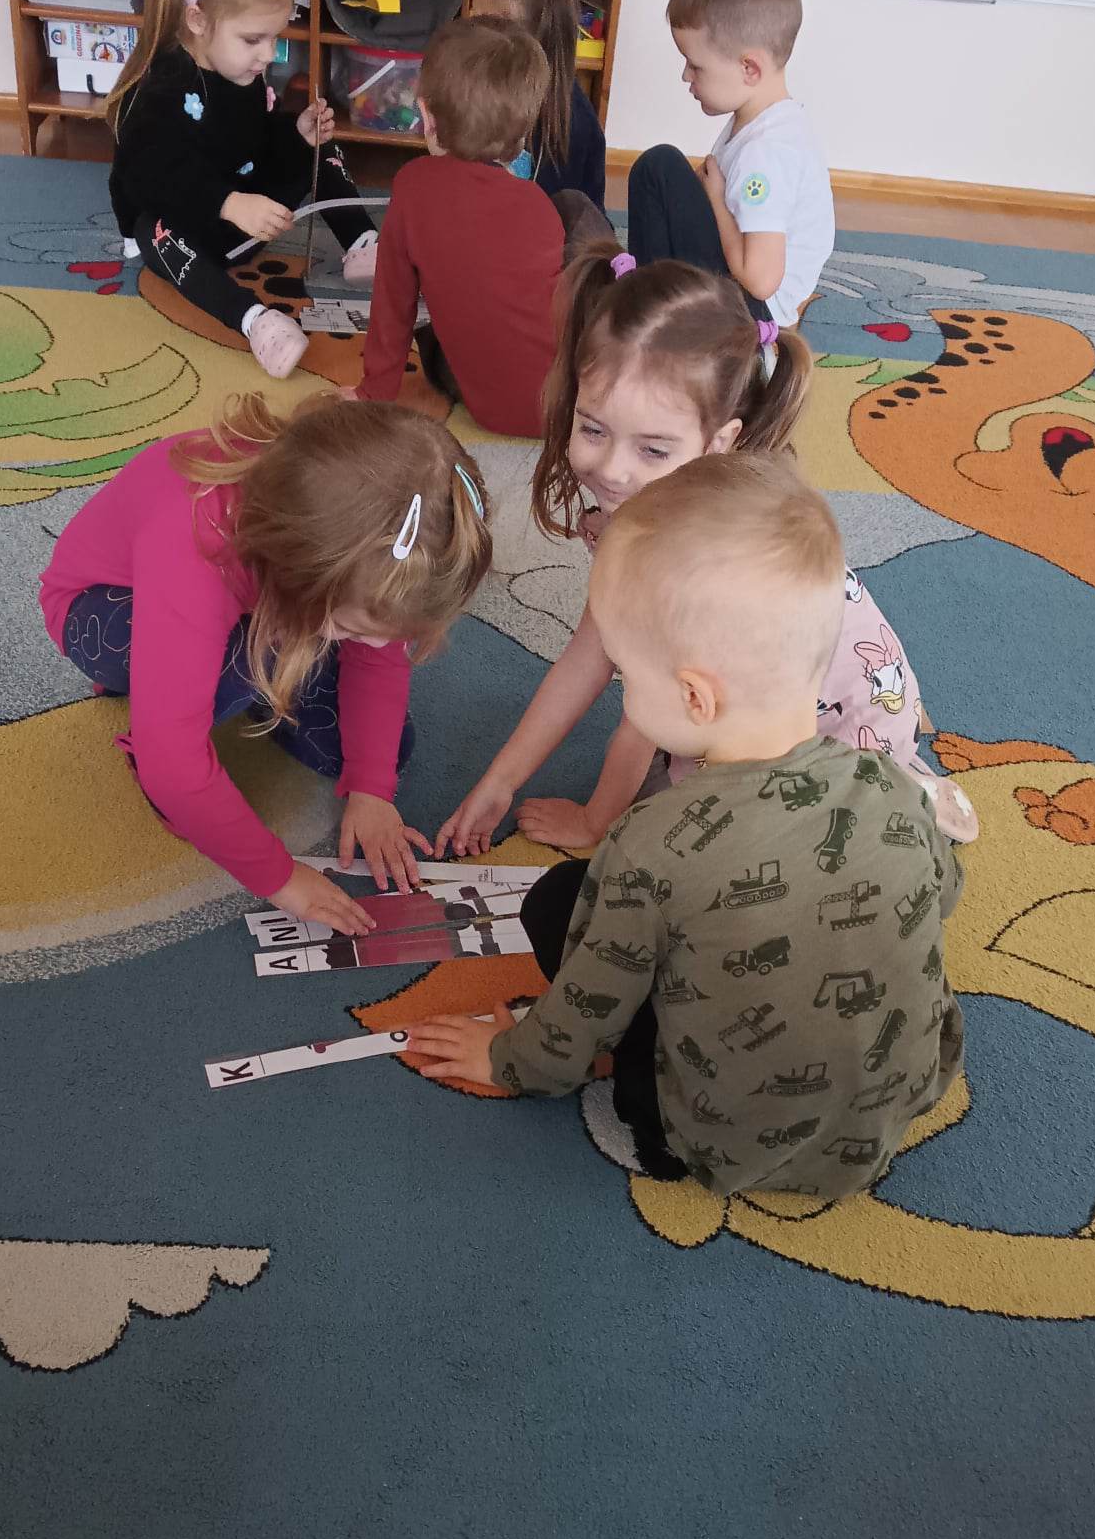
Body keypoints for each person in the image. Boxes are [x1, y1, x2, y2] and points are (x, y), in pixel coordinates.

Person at [409, 453, 966, 1193]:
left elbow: (590, 998)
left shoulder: (652, 843)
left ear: (695, 699)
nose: (623, 690)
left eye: (627, 675)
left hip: (722, 1138)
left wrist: (510, 1060)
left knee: (558, 904)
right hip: (895, 1107)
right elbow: (942, 894)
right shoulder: (896, 785)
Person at [434, 247, 975, 861]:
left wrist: (594, 822)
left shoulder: (694, 560)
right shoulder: (652, 511)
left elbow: (640, 726)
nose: (612, 470)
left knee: (705, 845)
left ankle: (904, 793)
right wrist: (501, 780)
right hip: (757, 697)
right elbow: (590, 655)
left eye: (653, 449)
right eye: (593, 429)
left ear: (719, 442)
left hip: (838, 730)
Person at [39, 396, 491, 932]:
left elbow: (379, 660)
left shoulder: (354, 546)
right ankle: (156, 714)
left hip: (262, 599)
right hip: (103, 613)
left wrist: (372, 787)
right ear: (298, 575)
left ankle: (271, 662)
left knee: (378, 749)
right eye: (354, 631)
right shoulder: (192, 546)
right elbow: (175, 768)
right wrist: (281, 878)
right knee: (235, 679)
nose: (374, 646)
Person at [107, 0, 381, 381]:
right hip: (193, 232)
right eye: (253, 39)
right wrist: (230, 203)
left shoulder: (240, 68)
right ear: (198, 21)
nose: (268, 55)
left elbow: (250, 138)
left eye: (274, 38)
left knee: (318, 141)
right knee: (152, 231)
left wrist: (295, 135)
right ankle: (256, 322)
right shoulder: (162, 87)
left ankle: (363, 243)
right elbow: (150, 178)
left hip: (252, 217)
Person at [352, 16, 568, 436]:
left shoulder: (411, 186)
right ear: (522, 133)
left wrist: (373, 392)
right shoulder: (539, 206)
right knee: (573, 209)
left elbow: (393, 303)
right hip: (565, 408)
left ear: (426, 116)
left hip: (488, 407)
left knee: (430, 337)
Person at [628, 0, 835, 331]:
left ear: (749, 68)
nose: (686, 76)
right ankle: (651, 299)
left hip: (751, 313)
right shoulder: (768, 122)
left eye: (696, 66)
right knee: (669, 179)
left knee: (658, 168)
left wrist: (715, 199)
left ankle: (650, 315)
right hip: (747, 297)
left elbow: (761, 279)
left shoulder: (765, 153)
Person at [473, 0, 607, 212]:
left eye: (480, 26)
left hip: (554, 227)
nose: (470, 36)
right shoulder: (499, 86)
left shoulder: (568, 124)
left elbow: (545, 218)